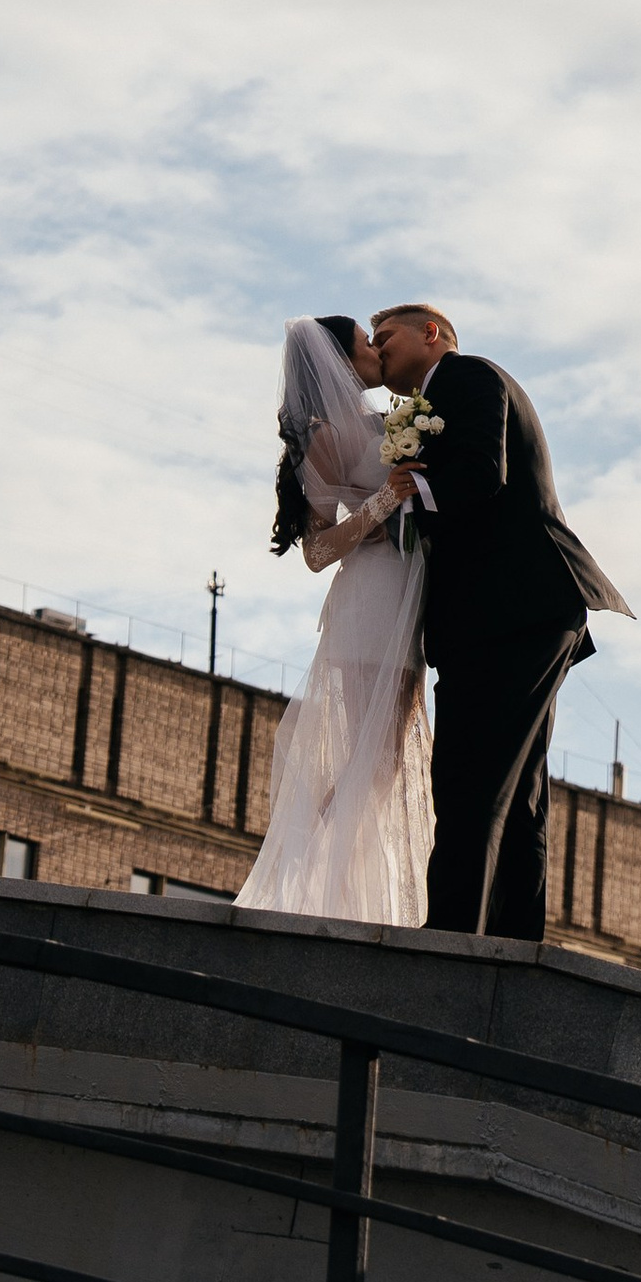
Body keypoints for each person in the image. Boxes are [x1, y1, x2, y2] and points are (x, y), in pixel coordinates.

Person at [368, 302, 631, 942]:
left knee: (469, 777)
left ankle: (454, 940)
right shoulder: (430, 402)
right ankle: (511, 942)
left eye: (386, 338)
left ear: (432, 335)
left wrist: (402, 495)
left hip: (514, 610)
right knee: (516, 795)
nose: (377, 353)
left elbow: (484, 472)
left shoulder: (466, 377)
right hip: (512, 614)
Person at [236, 316, 434, 923]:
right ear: (341, 360)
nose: (377, 352)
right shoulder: (323, 433)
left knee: (386, 761)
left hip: (406, 592)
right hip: (370, 600)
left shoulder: (380, 423)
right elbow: (317, 552)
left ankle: (338, 887)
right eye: (366, 344)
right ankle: (307, 880)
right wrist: (385, 499)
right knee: (376, 761)